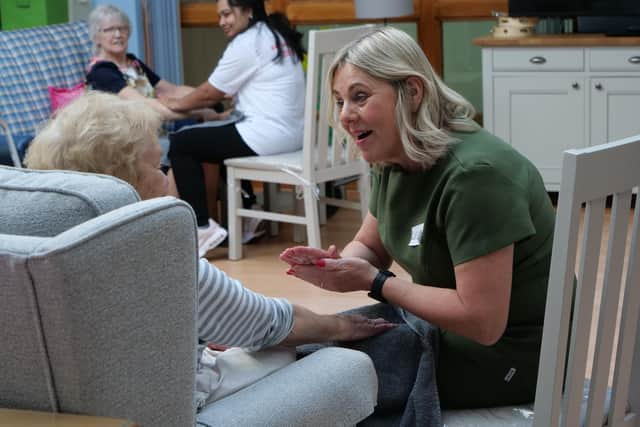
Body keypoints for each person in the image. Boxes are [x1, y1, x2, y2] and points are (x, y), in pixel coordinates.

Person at [24, 91, 395, 410]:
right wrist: (343, 325)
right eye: (157, 165)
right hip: (174, 404)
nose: (169, 174)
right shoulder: (156, 257)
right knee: (284, 349)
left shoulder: (33, 253)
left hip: (73, 407)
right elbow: (272, 323)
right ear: (122, 185)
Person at [280, 27, 556, 410]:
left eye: (359, 97)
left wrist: (376, 282)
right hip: (442, 331)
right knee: (296, 344)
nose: (345, 115)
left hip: (513, 357)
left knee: (315, 376)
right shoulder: (394, 153)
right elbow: (371, 246)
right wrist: (341, 266)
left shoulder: (476, 175)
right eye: (340, 100)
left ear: (412, 91)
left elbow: (482, 322)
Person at [160, 0, 306, 255]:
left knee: (183, 143)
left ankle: (202, 228)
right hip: (292, 134)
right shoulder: (274, 34)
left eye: (227, 14)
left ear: (248, 11)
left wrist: (174, 105)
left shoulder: (248, 42)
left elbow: (210, 93)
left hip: (267, 135)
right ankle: (249, 214)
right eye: (219, 16)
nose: (221, 22)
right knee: (221, 134)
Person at [86, 4, 230, 256]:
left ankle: (213, 221)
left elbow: (170, 90)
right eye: (109, 30)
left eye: (122, 28)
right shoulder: (101, 71)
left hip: (154, 131)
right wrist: (200, 110)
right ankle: (181, 231)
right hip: (130, 137)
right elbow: (145, 106)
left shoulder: (133, 63)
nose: (117, 34)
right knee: (182, 147)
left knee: (202, 141)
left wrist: (214, 94)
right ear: (97, 36)